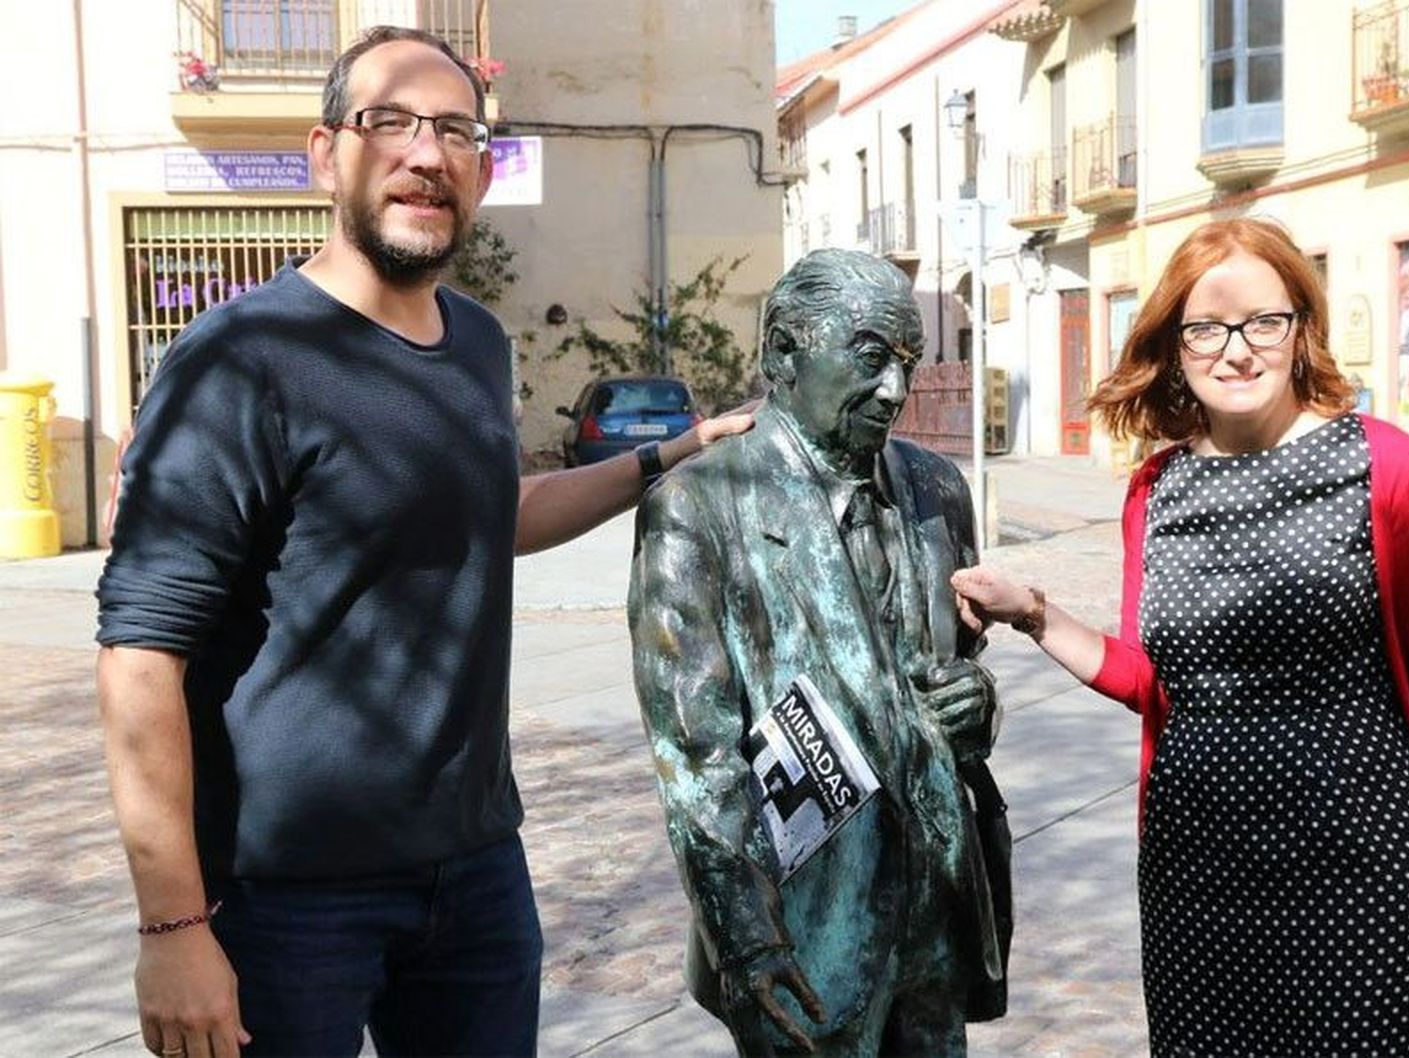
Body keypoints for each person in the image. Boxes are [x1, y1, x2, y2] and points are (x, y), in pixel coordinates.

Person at [96, 26, 751, 1058]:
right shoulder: (239, 360)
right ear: (327, 155)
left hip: (474, 868)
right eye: (390, 121)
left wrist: (669, 456)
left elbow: (494, 512)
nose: (426, 152)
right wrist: (172, 929)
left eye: (455, 130)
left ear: (481, 171)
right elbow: (140, 655)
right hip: (284, 894)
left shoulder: (476, 341)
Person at [951, 217, 1409, 1056]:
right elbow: (1154, 681)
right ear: (1176, 345)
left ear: (1300, 328)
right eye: (1207, 328)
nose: (1237, 351)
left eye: (1263, 322)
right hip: (1200, 879)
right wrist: (1032, 612)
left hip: (1369, 873)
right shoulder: (1156, 490)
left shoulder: (1386, 466)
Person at [629, 248, 1011, 1057]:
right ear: (782, 353)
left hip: (937, 918)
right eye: (871, 359)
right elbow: (696, 755)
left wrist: (978, 704)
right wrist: (748, 937)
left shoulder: (939, 490)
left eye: (909, 363)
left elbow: (963, 665)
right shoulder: (701, 505)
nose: (896, 391)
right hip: (803, 932)